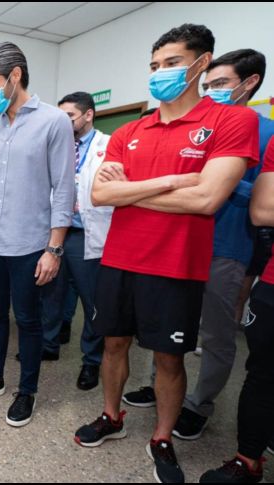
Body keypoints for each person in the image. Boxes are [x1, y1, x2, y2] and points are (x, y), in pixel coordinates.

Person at [73, 24, 259, 484]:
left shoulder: (230, 121)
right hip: (118, 259)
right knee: (113, 344)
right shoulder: (132, 130)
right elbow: (98, 195)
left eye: (172, 63)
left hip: (176, 265)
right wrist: (171, 180)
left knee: (168, 359)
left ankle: (162, 436)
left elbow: (207, 200)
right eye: (154, 66)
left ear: (201, 64)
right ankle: (112, 416)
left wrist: (128, 192)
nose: (160, 73)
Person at [0, 42, 74, 429]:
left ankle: (27, 391)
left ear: (15, 76)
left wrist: (54, 248)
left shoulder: (53, 121)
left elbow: (64, 189)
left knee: (27, 319)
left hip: (29, 245)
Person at [172, 48, 274, 442]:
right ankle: (162, 385)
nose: (211, 91)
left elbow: (262, 199)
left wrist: (223, 182)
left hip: (227, 247)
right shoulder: (193, 125)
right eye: (207, 84)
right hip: (180, 243)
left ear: (249, 83)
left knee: (215, 334)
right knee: (171, 323)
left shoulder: (265, 132)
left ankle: (200, 402)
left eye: (220, 84)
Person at [199, 139, 274, 483]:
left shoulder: (262, 131)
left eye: (221, 81)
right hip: (271, 282)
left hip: (235, 256)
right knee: (262, 372)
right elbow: (262, 210)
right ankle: (248, 459)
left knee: (223, 340)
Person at [41, 91, 112, 391]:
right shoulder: (58, 146)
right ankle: (49, 344)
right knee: (51, 293)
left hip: (87, 234)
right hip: (58, 232)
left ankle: (91, 362)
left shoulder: (108, 146)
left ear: (88, 115)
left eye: (68, 116)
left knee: (91, 300)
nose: (63, 122)